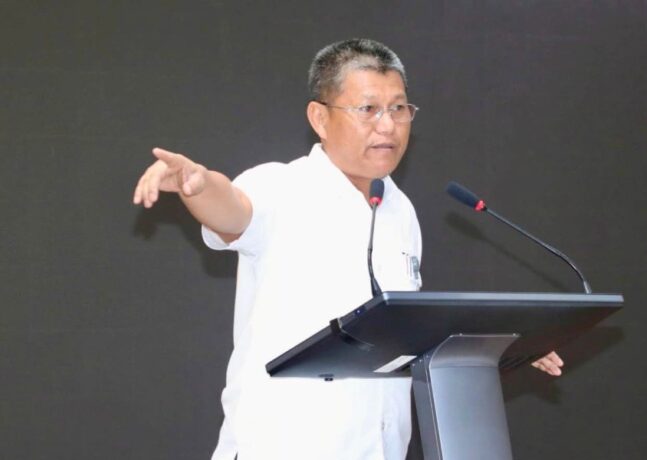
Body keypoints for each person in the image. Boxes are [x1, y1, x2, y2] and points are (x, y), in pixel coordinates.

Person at [133, 38, 563, 460]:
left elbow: (404, 334)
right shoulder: (282, 186)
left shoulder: (399, 209)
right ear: (320, 117)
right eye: (368, 109)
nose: (387, 126)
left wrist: (500, 346)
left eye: (399, 109)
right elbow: (231, 211)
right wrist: (199, 186)